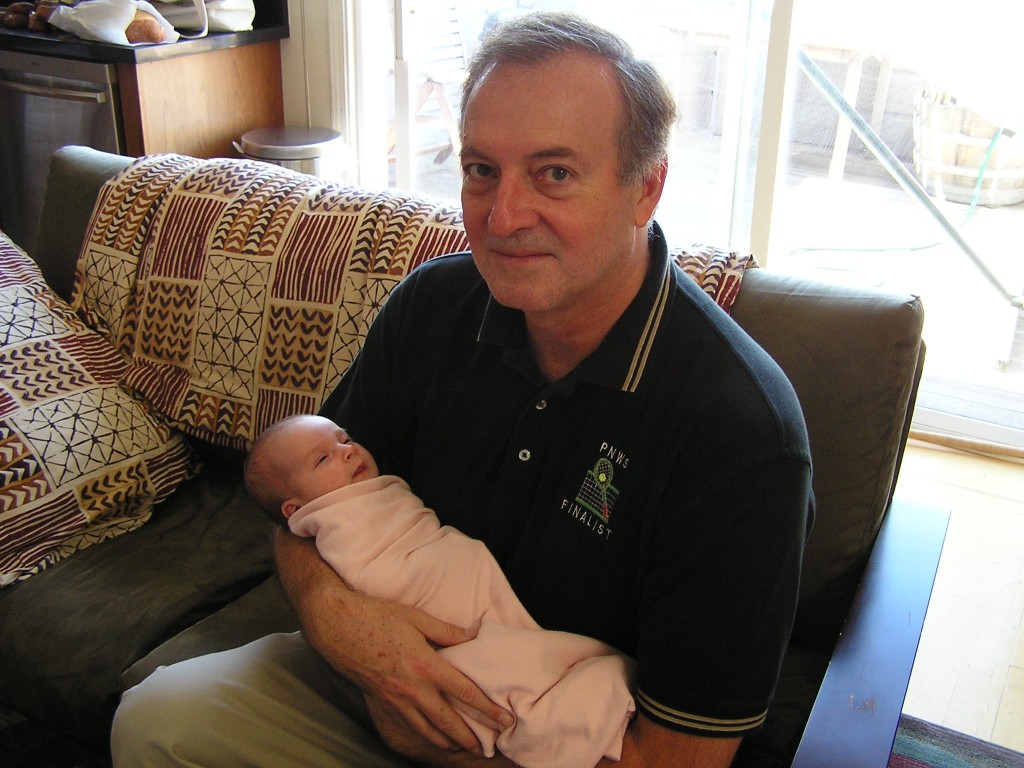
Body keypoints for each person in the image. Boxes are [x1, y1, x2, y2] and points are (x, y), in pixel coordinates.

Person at [111, 11, 813, 768]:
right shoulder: (433, 307)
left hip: (551, 747)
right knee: (159, 719)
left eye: (554, 173)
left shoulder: (741, 435)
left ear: (646, 188)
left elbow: (676, 759)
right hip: (376, 684)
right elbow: (305, 510)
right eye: (481, 170)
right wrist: (334, 615)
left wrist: (442, 745)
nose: (502, 218)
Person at [243, 413, 636, 768]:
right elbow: (334, 558)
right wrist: (330, 611)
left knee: (530, 662)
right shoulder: (329, 519)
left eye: (345, 439)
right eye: (322, 459)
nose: (347, 451)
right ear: (294, 510)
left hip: (467, 601)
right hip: (388, 639)